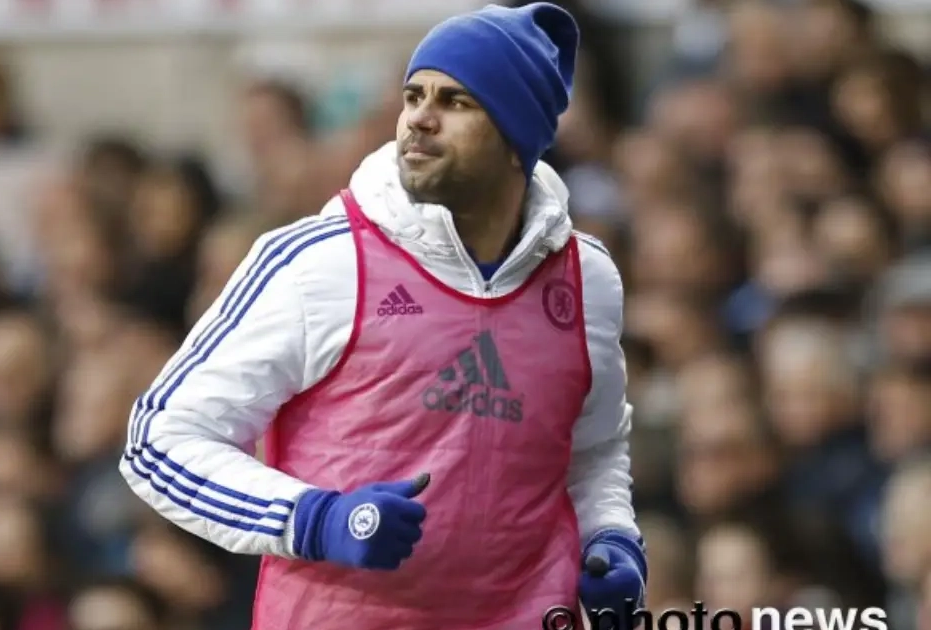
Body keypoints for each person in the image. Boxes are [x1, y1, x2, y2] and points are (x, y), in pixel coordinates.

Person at [119, 4, 645, 629]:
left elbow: (593, 449)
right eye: (413, 95)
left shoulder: (587, 280)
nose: (419, 118)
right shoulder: (322, 261)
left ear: (517, 138)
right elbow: (159, 440)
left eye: (455, 102)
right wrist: (313, 519)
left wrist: (611, 535)